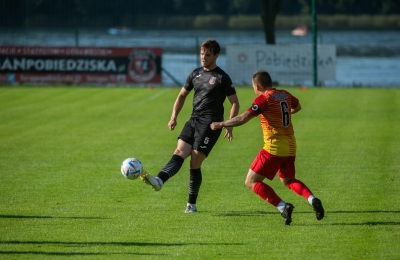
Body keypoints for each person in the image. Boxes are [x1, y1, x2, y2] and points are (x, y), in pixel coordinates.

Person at [210, 70, 324, 225]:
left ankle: (283, 207)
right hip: (290, 146)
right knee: (288, 180)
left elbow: (243, 118)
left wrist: (222, 124)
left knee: (251, 181)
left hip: (274, 147)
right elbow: (297, 107)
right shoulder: (285, 94)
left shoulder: (263, 99)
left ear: (257, 86)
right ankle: (312, 199)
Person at [140, 39, 240, 213]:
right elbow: (181, 96)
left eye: (207, 55)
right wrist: (173, 117)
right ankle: (159, 181)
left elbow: (235, 103)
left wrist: (228, 124)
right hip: (193, 120)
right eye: (202, 54)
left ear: (216, 55)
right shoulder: (195, 74)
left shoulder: (222, 77)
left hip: (211, 125)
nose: (203, 57)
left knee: (194, 162)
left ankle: (191, 205)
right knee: (179, 152)